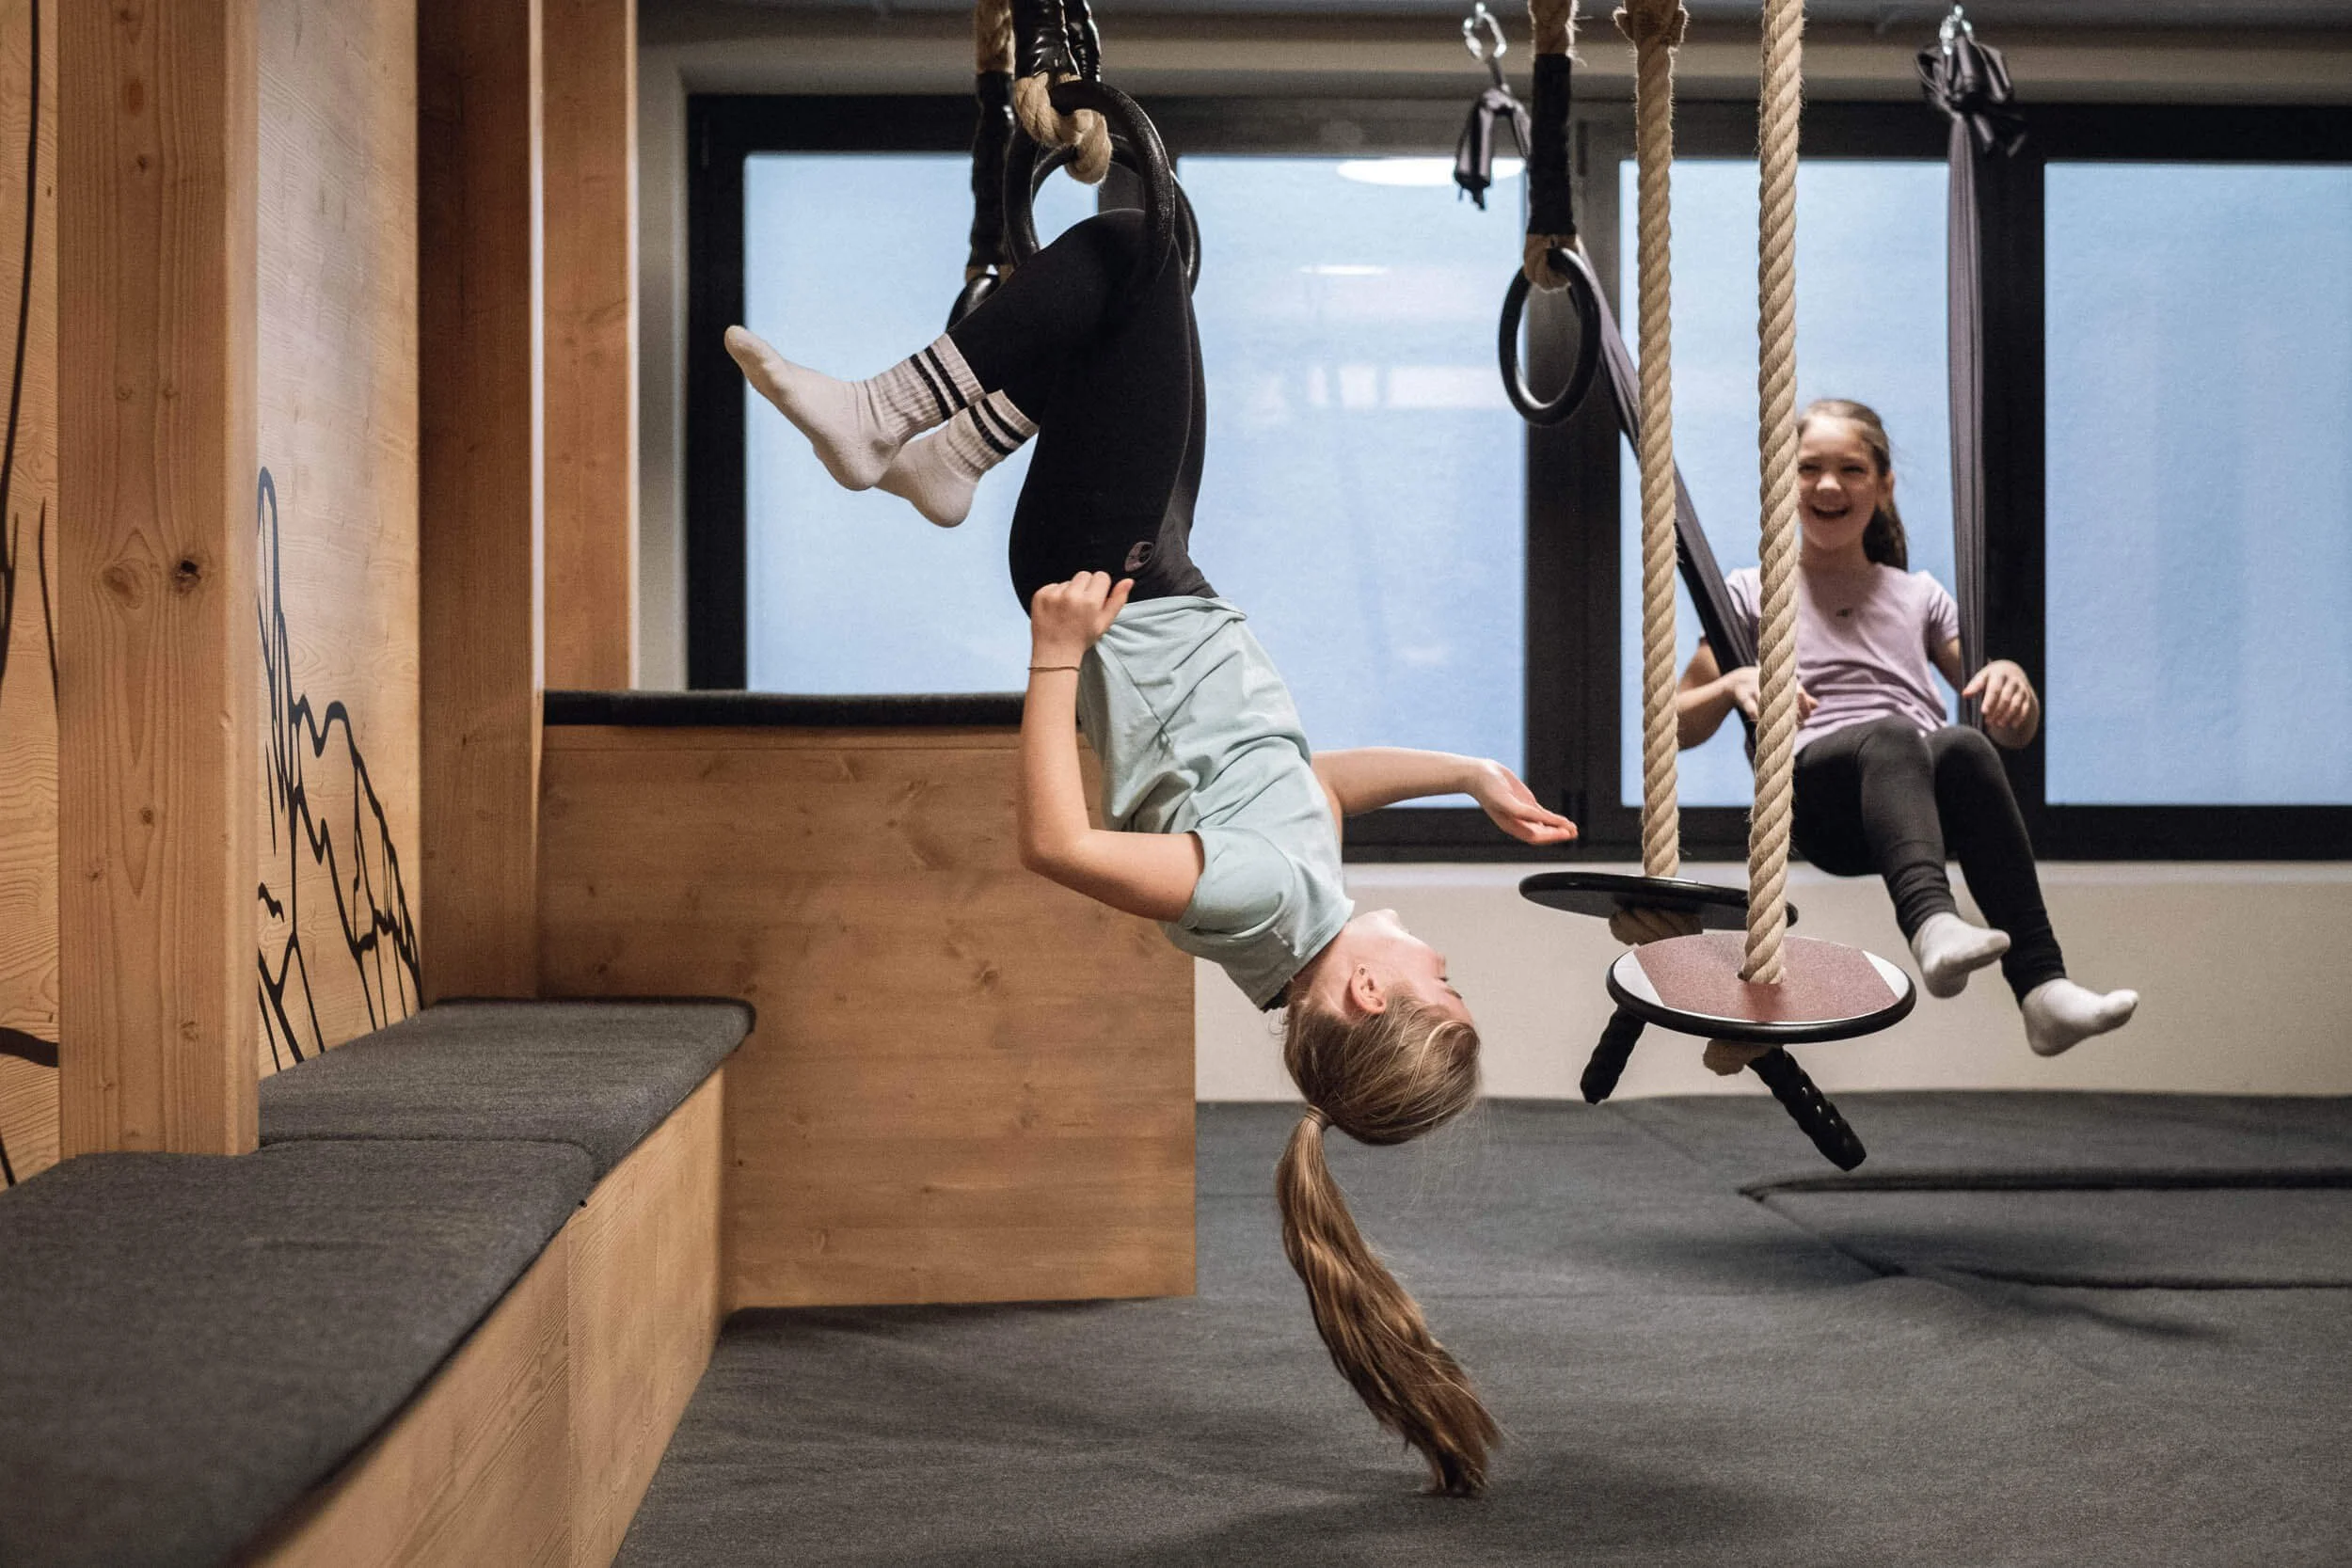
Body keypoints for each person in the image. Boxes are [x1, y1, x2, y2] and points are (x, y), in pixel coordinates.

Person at [724, 210, 1574, 1496]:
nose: (1446, 962)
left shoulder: (1262, 898)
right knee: (1135, 305)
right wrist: (1462, 772)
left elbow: (1058, 843)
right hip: (1158, 576)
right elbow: (1310, 785)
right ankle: (949, 454)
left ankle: (889, 416)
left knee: (1134, 252)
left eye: (1440, 987)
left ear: (1365, 993)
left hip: (1108, 590)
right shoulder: (1295, 905)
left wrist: (1053, 654)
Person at [1676, 398, 2137, 1058]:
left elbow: (2009, 732)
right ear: (1783, 484)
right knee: (1891, 733)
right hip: (1819, 804)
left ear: (1884, 486)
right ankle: (1932, 924)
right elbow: (1674, 729)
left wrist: (2014, 685)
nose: (1828, 485)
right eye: (1809, 468)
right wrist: (1731, 684)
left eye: (1851, 469)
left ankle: (2043, 990)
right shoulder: (1750, 594)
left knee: (1963, 742)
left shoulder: (1919, 596)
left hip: (1916, 810)